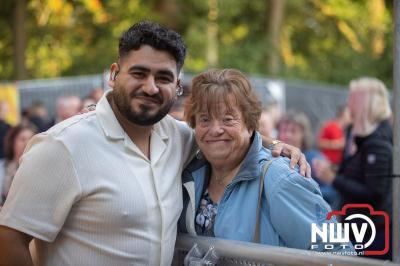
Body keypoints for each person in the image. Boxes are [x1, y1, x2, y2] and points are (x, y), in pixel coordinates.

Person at [0, 22, 308, 266]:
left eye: (162, 77)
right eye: (139, 73)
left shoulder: (177, 137)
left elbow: (338, 249)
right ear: (113, 74)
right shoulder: (62, 146)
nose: (150, 86)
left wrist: (275, 143)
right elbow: (9, 240)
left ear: (176, 88)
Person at [179, 69, 353, 253]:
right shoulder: (190, 171)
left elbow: (340, 252)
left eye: (228, 119)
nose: (215, 129)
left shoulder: (279, 178)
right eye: (204, 119)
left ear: (250, 124)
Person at [313, 77, 393, 260]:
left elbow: (374, 192)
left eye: (353, 99)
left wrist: (332, 178)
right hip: (354, 225)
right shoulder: (353, 132)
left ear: (366, 103)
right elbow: (353, 172)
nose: (348, 105)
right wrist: (331, 169)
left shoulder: (379, 142)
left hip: (374, 229)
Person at [277, 110, 340, 209]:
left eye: (293, 131)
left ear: (303, 135)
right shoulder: (275, 158)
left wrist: (305, 194)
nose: (287, 135)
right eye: (284, 130)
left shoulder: (314, 158)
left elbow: (333, 190)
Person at [0, 124, 37, 206]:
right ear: (12, 142)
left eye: (31, 139)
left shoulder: (39, 170)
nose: (27, 143)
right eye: (22, 139)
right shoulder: (2, 167)